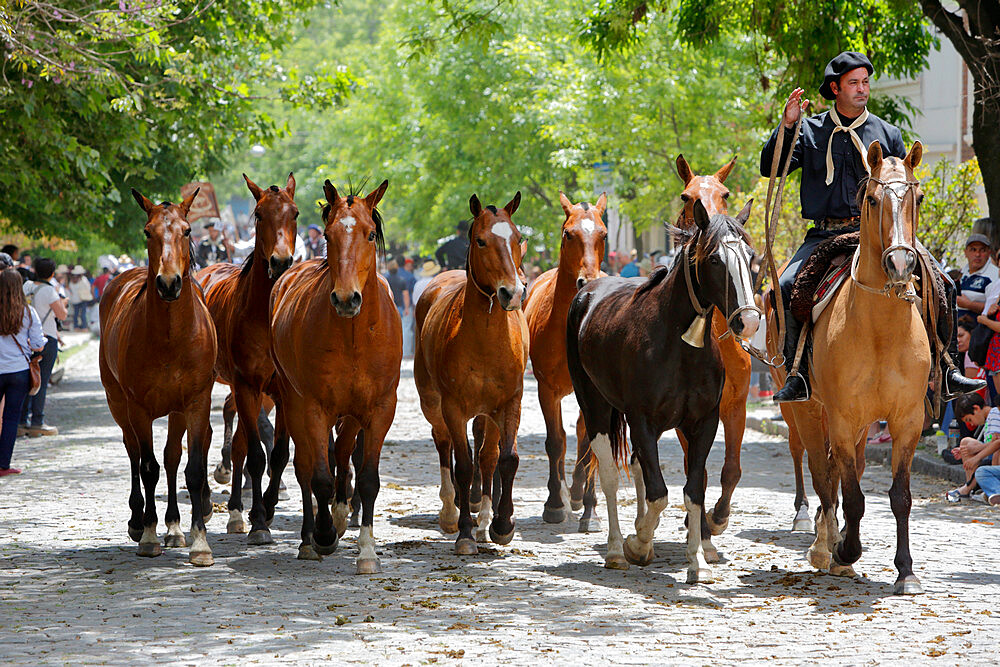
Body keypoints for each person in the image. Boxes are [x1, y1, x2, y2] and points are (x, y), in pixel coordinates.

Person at [760, 50, 984, 403]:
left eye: (865, 82)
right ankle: (798, 374)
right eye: (854, 83)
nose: (862, 89)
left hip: (884, 234)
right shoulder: (810, 129)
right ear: (835, 88)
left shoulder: (887, 132)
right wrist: (787, 126)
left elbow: (903, 188)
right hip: (826, 234)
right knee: (787, 286)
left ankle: (947, 369)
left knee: (944, 282)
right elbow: (769, 167)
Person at [0, 269, 46, 476]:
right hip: (18, 370)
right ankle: (3, 464)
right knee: (11, 418)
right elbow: (38, 344)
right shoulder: (28, 312)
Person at [20, 258, 65, 437]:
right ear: (52, 273)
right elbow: (61, 314)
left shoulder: (26, 287)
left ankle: (22, 420)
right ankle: (37, 420)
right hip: (47, 338)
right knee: (40, 381)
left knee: (25, 380)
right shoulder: (49, 291)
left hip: (25, 340)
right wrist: (65, 304)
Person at [946, 393, 1000, 502]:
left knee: (994, 453)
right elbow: (990, 442)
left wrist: (976, 455)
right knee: (966, 442)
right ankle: (971, 487)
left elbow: (997, 443)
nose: (971, 424)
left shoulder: (994, 413)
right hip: (989, 460)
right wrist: (966, 450)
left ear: (976, 408)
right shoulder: (988, 420)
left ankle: (969, 488)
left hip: (995, 462)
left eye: (969, 419)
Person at [956, 233, 998, 320]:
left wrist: (969, 304)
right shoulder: (960, 273)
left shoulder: (995, 275)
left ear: (989, 253)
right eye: (973, 250)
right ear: (965, 252)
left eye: (982, 250)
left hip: (977, 327)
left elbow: (995, 308)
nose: (977, 254)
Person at [383, 258, 412, 355]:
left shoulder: (385, 280)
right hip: (399, 307)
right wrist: (407, 308)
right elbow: (406, 295)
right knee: (402, 329)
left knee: (388, 330)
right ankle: (402, 351)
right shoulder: (401, 280)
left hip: (387, 308)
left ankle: (389, 351)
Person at [67, 266, 92, 331]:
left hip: (74, 299)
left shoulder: (71, 281)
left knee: (76, 313)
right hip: (82, 299)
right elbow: (88, 288)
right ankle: (84, 327)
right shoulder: (83, 280)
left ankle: (76, 327)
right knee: (83, 313)